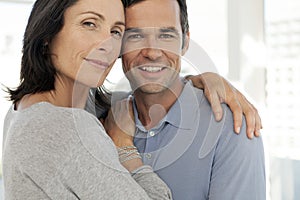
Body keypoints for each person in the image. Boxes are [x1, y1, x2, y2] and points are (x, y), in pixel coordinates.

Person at [2, 0, 173, 199]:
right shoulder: (66, 127)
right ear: (48, 32)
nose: (106, 44)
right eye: (89, 24)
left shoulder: (23, 108)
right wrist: (124, 147)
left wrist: (193, 82)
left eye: (116, 31)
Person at [103, 0, 266, 199]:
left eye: (166, 35)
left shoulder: (231, 127)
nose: (152, 52)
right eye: (136, 36)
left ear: (185, 42)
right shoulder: (103, 117)